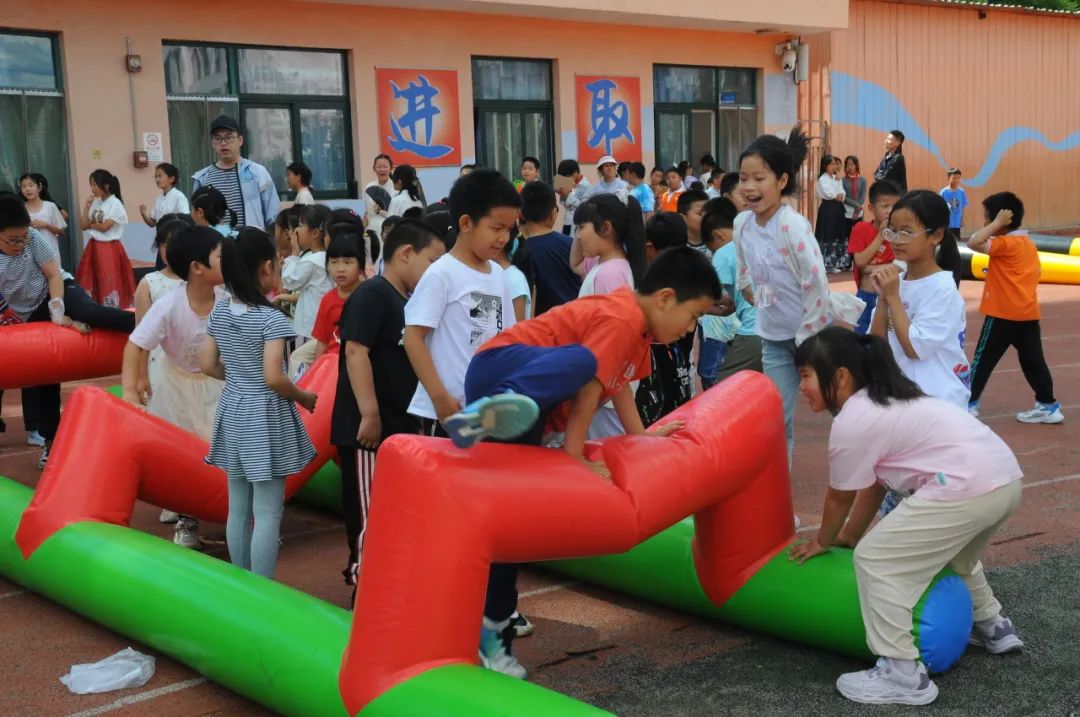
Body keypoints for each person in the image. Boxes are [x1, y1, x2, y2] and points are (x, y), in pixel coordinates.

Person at [442, 247, 720, 678]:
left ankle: (492, 640)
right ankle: (499, 404)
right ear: (665, 297)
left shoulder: (640, 333)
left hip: (521, 405)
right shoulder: (623, 315)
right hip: (502, 370)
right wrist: (574, 455)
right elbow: (592, 385)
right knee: (583, 361)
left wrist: (641, 436)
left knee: (506, 527)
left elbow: (619, 385)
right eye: (693, 317)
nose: (689, 330)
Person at [789, 327, 1024, 706]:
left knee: (876, 559)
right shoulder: (892, 399)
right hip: (1005, 480)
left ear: (841, 376)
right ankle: (993, 626)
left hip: (963, 486)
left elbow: (839, 497)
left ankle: (902, 674)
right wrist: (850, 535)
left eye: (805, 375)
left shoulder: (855, 417)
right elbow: (875, 484)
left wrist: (823, 541)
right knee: (959, 555)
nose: (801, 387)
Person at [735, 127, 859, 468]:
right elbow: (747, 277)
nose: (749, 187)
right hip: (774, 340)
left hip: (812, 338)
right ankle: (778, 502)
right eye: (744, 178)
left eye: (759, 178)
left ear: (782, 179)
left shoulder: (792, 226)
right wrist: (767, 301)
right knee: (778, 420)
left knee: (843, 409)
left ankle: (867, 469)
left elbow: (815, 282)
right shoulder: (742, 225)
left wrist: (808, 334)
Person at [332, 219, 445, 591]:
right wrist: (369, 412)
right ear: (406, 253)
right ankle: (365, 591)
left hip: (394, 427)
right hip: (369, 431)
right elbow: (355, 351)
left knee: (392, 513)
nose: (435, 272)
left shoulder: (401, 299)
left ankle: (388, 591)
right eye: (432, 261)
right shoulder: (374, 294)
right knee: (369, 516)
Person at [200, 227, 317, 579]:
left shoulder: (219, 312)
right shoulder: (271, 319)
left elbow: (207, 364)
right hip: (265, 416)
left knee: (238, 507)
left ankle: (242, 583)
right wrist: (304, 397)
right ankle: (263, 589)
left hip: (232, 409)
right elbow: (274, 377)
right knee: (267, 511)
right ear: (265, 269)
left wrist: (237, 377)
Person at [0, 194, 135, 468]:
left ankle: (143, 324)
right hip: (19, 313)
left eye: (22, 237)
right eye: (12, 240)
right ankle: (53, 442)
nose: (19, 244)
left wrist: (58, 310)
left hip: (54, 292)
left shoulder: (33, 239)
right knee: (43, 374)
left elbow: (52, 275)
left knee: (89, 313)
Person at [123, 225, 226, 550]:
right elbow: (135, 343)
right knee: (184, 454)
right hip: (175, 383)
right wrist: (130, 390)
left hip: (217, 383)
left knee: (223, 446)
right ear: (197, 268)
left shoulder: (226, 299)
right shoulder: (169, 304)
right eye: (221, 256)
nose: (229, 261)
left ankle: (243, 517)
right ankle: (187, 521)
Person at [403, 168, 520, 436]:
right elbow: (413, 338)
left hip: (489, 411)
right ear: (466, 223)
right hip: (449, 413)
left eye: (510, 229)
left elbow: (506, 338)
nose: (504, 238)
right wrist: (439, 397)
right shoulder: (442, 273)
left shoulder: (499, 275)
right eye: (496, 228)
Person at [966, 192, 1063, 424]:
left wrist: (997, 224)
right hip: (1027, 315)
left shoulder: (1005, 243)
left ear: (1002, 220)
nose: (984, 223)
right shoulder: (1027, 244)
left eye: (987, 219)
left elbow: (973, 242)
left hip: (1002, 314)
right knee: (1033, 361)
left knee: (982, 360)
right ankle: (1048, 405)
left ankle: (968, 402)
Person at [868, 190, 970, 409]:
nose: (896, 240)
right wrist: (883, 299)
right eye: (892, 231)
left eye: (906, 233)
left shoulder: (943, 289)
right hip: (903, 399)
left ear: (936, 236)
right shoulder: (897, 282)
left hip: (938, 403)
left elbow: (915, 349)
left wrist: (893, 298)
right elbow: (877, 344)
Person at [635, 214, 694, 426]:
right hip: (666, 363)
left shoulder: (656, 279)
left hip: (667, 361)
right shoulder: (687, 274)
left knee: (668, 419)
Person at [192, 115, 279, 230]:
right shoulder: (202, 178)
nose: (223, 143)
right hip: (215, 245)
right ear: (212, 143)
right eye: (218, 138)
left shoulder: (257, 173)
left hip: (249, 244)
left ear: (240, 140)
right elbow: (197, 218)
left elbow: (273, 215)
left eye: (229, 137)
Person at [709, 198, 762, 382]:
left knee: (723, 388)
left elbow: (715, 297)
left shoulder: (723, 253)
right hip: (783, 328)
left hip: (754, 331)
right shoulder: (763, 244)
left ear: (717, 235)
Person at [282, 204, 334, 376]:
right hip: (319, 327)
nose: (297, 231)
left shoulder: (312, 261)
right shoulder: (325, 258)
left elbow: (289, 281)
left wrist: (295, 252)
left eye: (302, 225)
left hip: (310, 330)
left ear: (315, 233)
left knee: (301, 365)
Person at [76, 169, 135, 309]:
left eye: (95, 185)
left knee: (109, 278)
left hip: (109, 247)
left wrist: (92, 224)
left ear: (106, 185)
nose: (92, 188)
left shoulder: (115, 204)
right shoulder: (96, 203)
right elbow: (83, 225)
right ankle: (95, 307)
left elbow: (105, 227)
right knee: (93, 278)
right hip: (94, 245)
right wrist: (87, 207)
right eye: (91, 185)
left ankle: (111, 308)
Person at [518, 182, 580, 315]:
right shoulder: (571, 244)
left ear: (521, 214)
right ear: (553, 213)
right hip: (575, 323)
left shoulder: (520, 252)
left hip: (542, 328)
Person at [847, 180, 900, 335]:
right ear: (871, 208)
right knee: (861, 339)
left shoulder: (899, 234)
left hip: (889, 296)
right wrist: (881, 236)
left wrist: (868, 269)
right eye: (885, 206)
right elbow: (859, 262)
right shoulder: (860, 228)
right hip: (865, 297)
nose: (890, 211)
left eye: (894, 207)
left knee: (887, 340)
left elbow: (900, 266)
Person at [570, 194, 646, 299]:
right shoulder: (603, 262)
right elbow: (576, 265)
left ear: (605, 228)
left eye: (581, 227)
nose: (577, 236)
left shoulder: (609, 275)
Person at [311, 234, 365, 366]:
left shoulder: (370, 296)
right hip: (332, 366)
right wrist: (316, 371)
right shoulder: (328, 300)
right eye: (334, 262)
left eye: (347, 262)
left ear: (360, 265)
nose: (340, 269)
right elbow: (322, 342)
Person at [815, 155, 849, 273]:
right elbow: (829, 194)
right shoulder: (822, 179)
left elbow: (842, 192)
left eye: (835, 164)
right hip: (828, 209)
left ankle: (836, 263)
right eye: (832, 164)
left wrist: (840, 195)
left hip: (838, 209)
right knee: (828, 234)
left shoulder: (836, 178)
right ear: (825, 166)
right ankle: (826, 263)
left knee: (838, 234)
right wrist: (837, 195)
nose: (834, 166)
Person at [20, 173, 68, 255]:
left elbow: (61, 232)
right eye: (23, 186)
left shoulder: (50, 206)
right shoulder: (20, 208)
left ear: (39, 187)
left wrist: (46, 225)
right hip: (29, 255)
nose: (27, 189)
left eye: (31, 186)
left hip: (50, 252)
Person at [139, 163, 190, 228]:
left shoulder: (179, 196)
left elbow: (186, 220)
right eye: (156, 176)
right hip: (161, 236)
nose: (157, 179)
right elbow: (152, 223)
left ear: (171, 179)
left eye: (160, 176)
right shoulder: (159, 198)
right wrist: (144, 214)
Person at [364, 154, 397, 237]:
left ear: (391, 169)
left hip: (389, 233)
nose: (382, 169)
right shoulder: (369, 187)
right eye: (379, 167)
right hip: (371, 231)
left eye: (385, 167)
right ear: (374, 169)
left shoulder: (396, 188)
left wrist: (381, 211)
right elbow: (367, 212)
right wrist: (364, 230)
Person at [555, 159, 592, 235]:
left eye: (567, 177)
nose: (565, 180)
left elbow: (584, 207)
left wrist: (568, 194)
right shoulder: (570, 183)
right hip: (567, 221)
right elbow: (566, 205)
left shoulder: (587, 186)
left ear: (575, 172)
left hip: (579, 223)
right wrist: (562, 194)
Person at [678, 189, 710, 257]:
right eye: (700, 213)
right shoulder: (675, 248)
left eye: (709, 212)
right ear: (683, 218)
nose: (707, 216)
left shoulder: (717, 242)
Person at [841, 155, 867, 236]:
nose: (850, 167)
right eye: (848, 165)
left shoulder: (862, 180)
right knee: (847, 236)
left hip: (859, 212)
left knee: (859, 235)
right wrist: (857, 206)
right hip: (847, 212)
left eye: (852, 164)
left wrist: (857, 211)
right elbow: (844, 198)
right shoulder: (842, 181)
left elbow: (862, 196)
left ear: (856, 165)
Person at [940, 168, 967, 243]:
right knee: (946, 242)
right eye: (954, 178)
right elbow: (941, 208)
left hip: (957, 223)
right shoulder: (943, 192)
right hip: (947, 223)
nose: (956, 180)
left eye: (958, 178)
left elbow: (963, 206)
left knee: (957, 242)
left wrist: (962, 219)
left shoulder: (961, 192)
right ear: (949, 178)